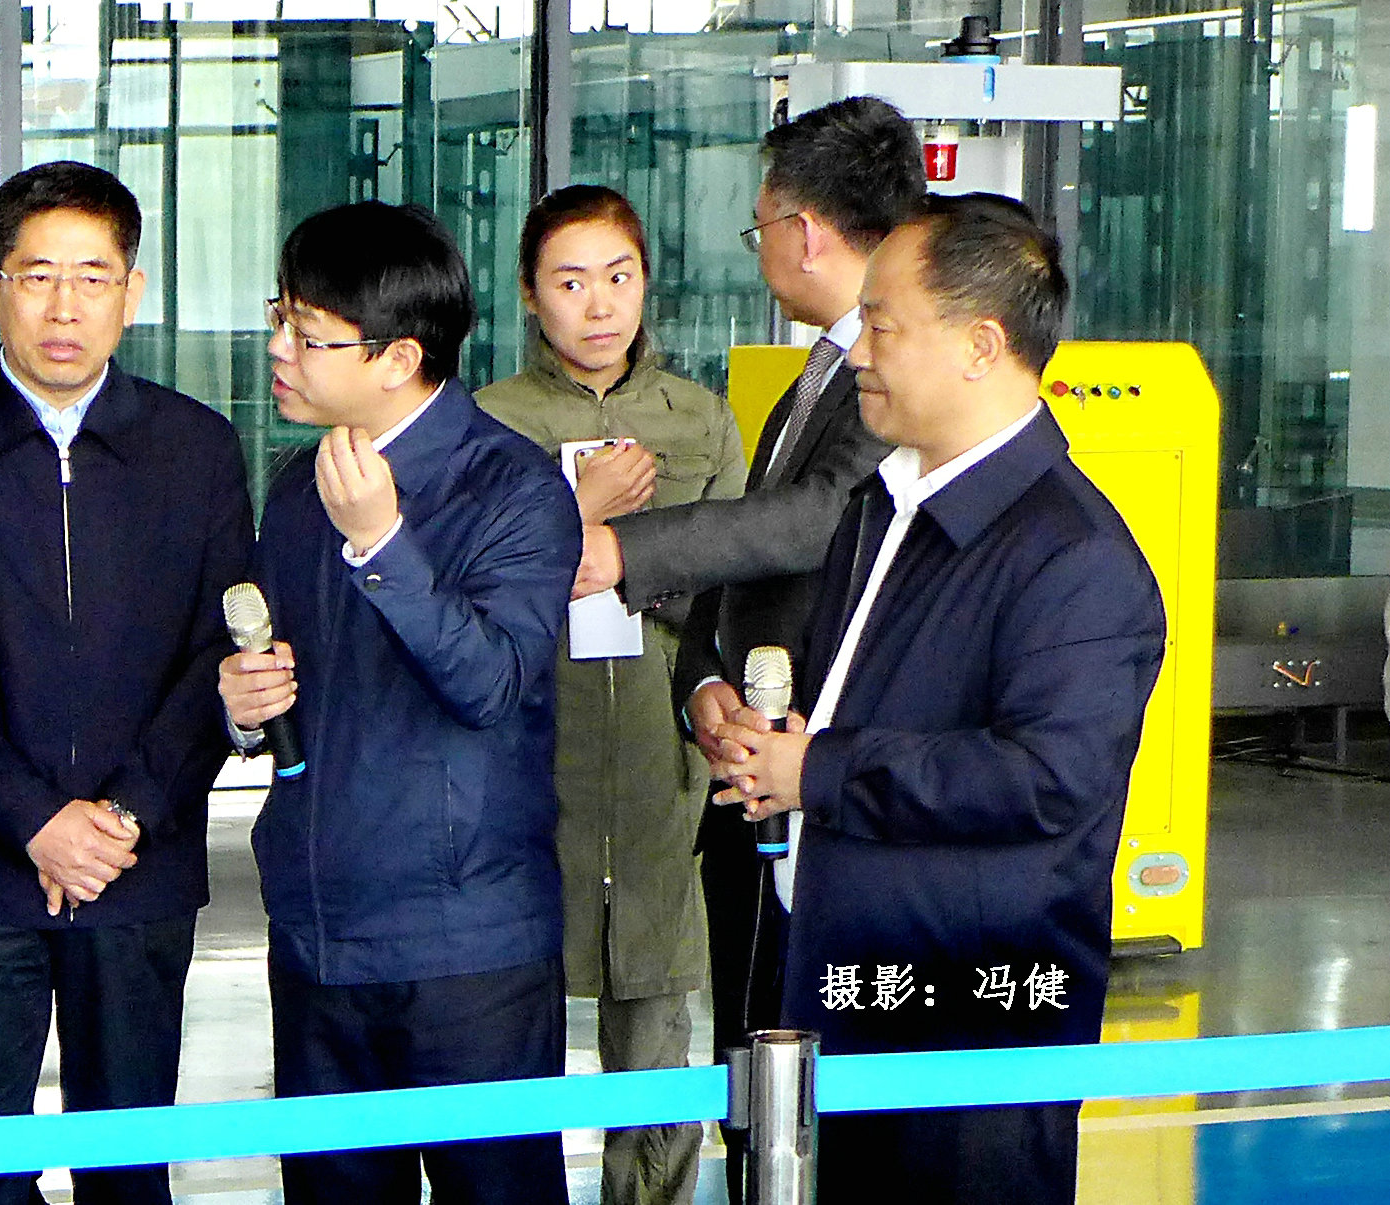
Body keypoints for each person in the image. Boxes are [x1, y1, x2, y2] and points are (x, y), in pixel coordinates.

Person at [708, 193, 1162, 1204]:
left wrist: (819, 769)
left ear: (979, 345)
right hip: (848, 976)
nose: (856, 353)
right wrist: (781, 744)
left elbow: (1045, 778)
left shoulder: (1075, 556)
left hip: (967, 1021)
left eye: (882, 325)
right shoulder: (885, 505)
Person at [0, 161, 245, 1205]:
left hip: (138, 868)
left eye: (92, 277)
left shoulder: (196, 449)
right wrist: (35, 819)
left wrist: (121, 815)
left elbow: (214, 658)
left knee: (129, 1171)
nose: (64, 306)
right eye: (36, 277)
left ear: (132, 291)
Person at [571, 100, 918, 1178]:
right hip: (744, 773)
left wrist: (620, 548)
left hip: (824, 786)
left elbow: (812, 520)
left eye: (760, 224)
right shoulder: (809, 378)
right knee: (749, 1070)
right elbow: (749, 566)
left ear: (805, 231)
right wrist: (704, 682)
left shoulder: (884, 388)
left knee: (801, 1093)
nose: (759, 246)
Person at [216, 201, 575, 1205]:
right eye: (280, 317)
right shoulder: (300, 486)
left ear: (397, 358)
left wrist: (380, 543)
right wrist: (240, 704)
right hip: (318, 930)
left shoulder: (512, 487)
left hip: (467, 943)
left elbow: (490, 683)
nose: (278, 349)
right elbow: (275, 673)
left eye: (306, 332)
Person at [474, 183, 742, 1205]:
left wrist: (639, 570)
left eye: (618, 277)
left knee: (657, 1021)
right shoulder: (486, 422)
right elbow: (461, 583)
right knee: (510, 1020)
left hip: (653, 767)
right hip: (526, 770)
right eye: (570, 281)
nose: (598, 305)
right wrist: (565, 515)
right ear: (528, 294)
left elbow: (733, 584)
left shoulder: (697, 418)